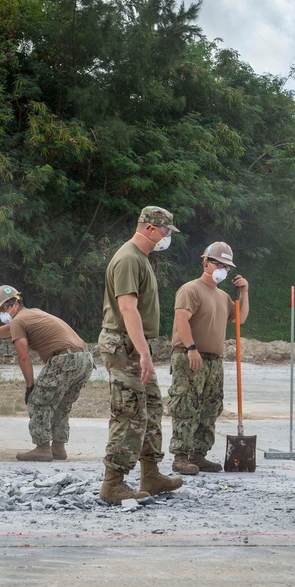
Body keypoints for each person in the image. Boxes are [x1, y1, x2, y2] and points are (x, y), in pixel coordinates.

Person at [97, 206, 184, 505]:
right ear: (149, 228)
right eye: (165, 232)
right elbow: (127, 308)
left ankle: (151, 475)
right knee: (129, 412)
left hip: (133, 346)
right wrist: (144, 354)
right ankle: (113, 484)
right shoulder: (128, 258)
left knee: (152, 408)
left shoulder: (140, 259)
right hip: (123, 346)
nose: (166, 238)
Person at [0, 286, 94, 462]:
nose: (4, 313)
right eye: (1, 310)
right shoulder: (32, 314)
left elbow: (24, 357)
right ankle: (58, 447)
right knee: (61, 404)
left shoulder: (20, 320)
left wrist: (30, 386)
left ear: (16, 303)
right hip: (85, 359)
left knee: (38, 401)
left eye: (5, 308)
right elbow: (11, 329)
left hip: (64, 359)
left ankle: (42, 448)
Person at [167, 242, 249, 475]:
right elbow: (181, 320)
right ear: (206, 263)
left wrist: (244, 292)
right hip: (190, 355)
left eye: (226, 266)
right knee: (186, 405)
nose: (222, 269)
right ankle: (181, 456)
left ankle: (198, 454)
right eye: (218, 264)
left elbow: (240, 319)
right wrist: (191, 348)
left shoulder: (222, 296)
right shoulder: (190, 290)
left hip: (214, 360)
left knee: (210, 407)